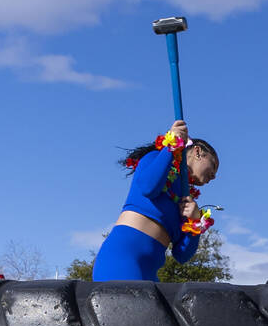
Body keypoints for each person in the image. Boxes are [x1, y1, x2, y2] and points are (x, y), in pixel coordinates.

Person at [92, 119, 218, 282]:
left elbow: (182, 255)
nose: (214, 176)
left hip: (150, 271)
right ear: (198, 152)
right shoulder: (155, 158)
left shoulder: (186, 200)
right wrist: (171, 146)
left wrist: (194, 222)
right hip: (123, 259)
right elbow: (148, 187)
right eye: (213, 166)